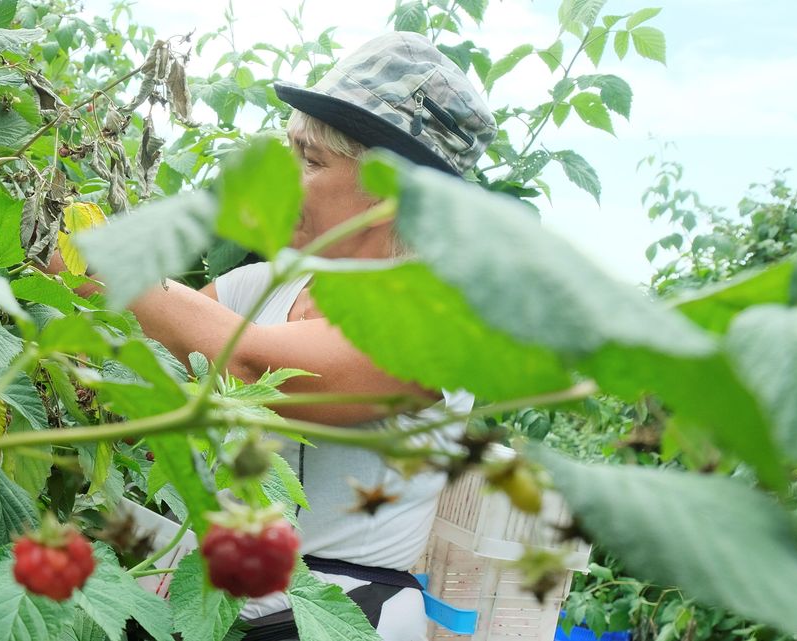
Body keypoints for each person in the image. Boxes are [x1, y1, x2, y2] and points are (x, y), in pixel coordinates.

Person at [50, 31, 495, 641]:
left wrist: (96, 259)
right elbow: (142, 354)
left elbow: (258, 372)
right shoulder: (257, 286)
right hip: (216, 600)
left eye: (309, 161)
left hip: (333, 618)